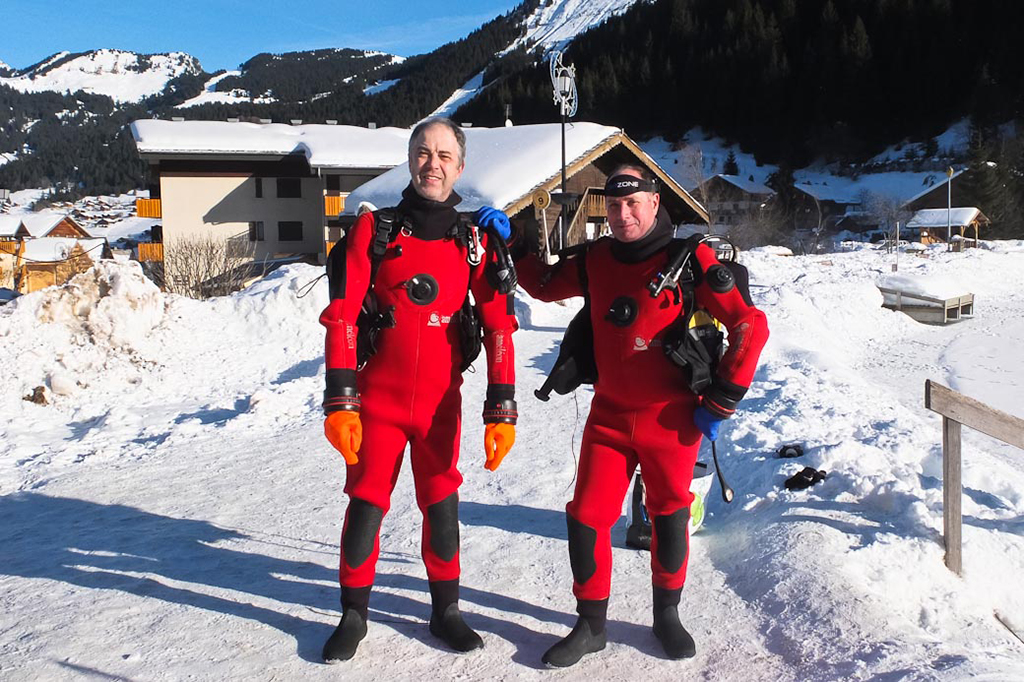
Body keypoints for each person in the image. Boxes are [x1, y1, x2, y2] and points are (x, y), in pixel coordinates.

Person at [512, 164, 769, 667]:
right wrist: (518, 242)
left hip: (670, 419)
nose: (623, 213)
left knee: (668, 514)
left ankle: (666, 616)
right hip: (609, 415)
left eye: (634, 203)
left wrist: (723, 398)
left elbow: (749, 323)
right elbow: (543, 285)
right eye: (613, 204)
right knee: (587, 516)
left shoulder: (689, 259)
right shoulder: (597, 259)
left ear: (655, 204)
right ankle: (590, 625)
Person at [318, 117, 519, 663]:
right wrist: (340, 400)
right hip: (376, 405)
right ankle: (353, 614)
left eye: (445, 155)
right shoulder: (375, 231)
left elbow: (500, 324)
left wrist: (502, 408)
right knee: (365, 504)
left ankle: (445, 610)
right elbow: (341, 317)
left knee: (441, 504)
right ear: (410, 158)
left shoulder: (473, 241)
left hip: (439, 407)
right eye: (423, 152)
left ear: (460, 165)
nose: (433, 164)